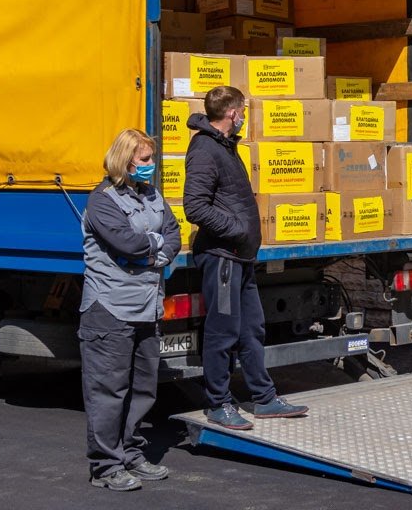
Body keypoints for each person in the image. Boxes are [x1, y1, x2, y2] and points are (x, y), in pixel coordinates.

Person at [183, 85, 308, 429]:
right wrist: (237, 229)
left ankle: (264, 398)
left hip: (240, 257)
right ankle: (218, 403)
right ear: (233, 114)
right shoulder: (206, 149)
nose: (243, 118)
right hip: (223, 256)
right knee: (223, 333)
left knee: (252, 329)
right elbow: (195, 206)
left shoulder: (225, 146)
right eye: (242, 112)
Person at [79, 128, 182, 491]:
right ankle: (105, 467)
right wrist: (152, 247)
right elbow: (126, 243)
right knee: (108, 390)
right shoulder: (103, 201)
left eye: (151, 159)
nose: (150, 167)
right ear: (125, 160)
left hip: (148, 307)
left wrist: (155, 248)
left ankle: (131, 455)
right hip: (110, 308)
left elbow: (173, 233)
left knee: (143, 389)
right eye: (144, 160)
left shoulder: (152, 195)